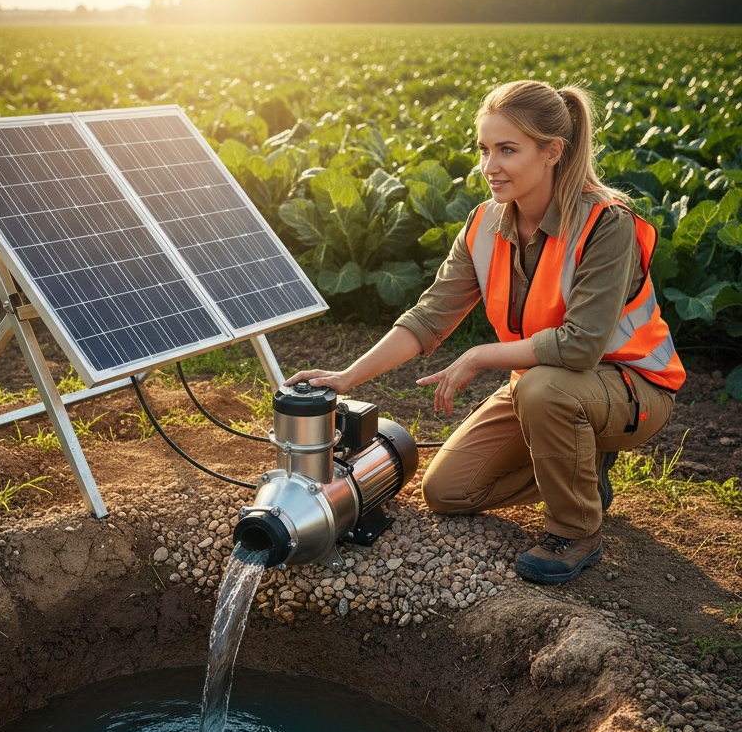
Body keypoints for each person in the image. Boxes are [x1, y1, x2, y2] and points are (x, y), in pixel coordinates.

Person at [286, 79, 685, 585]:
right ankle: (583, 473)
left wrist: (479, 355)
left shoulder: (607, 225)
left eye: (507, 150)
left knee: (543, 389)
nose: (489, 166)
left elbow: (582, 346)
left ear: (552, 153)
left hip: (633, 388)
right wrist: (348, 376)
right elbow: (430, 316)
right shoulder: (483, 224)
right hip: (549, 383)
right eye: (484, 149)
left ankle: (575, 530)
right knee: (448, 491)